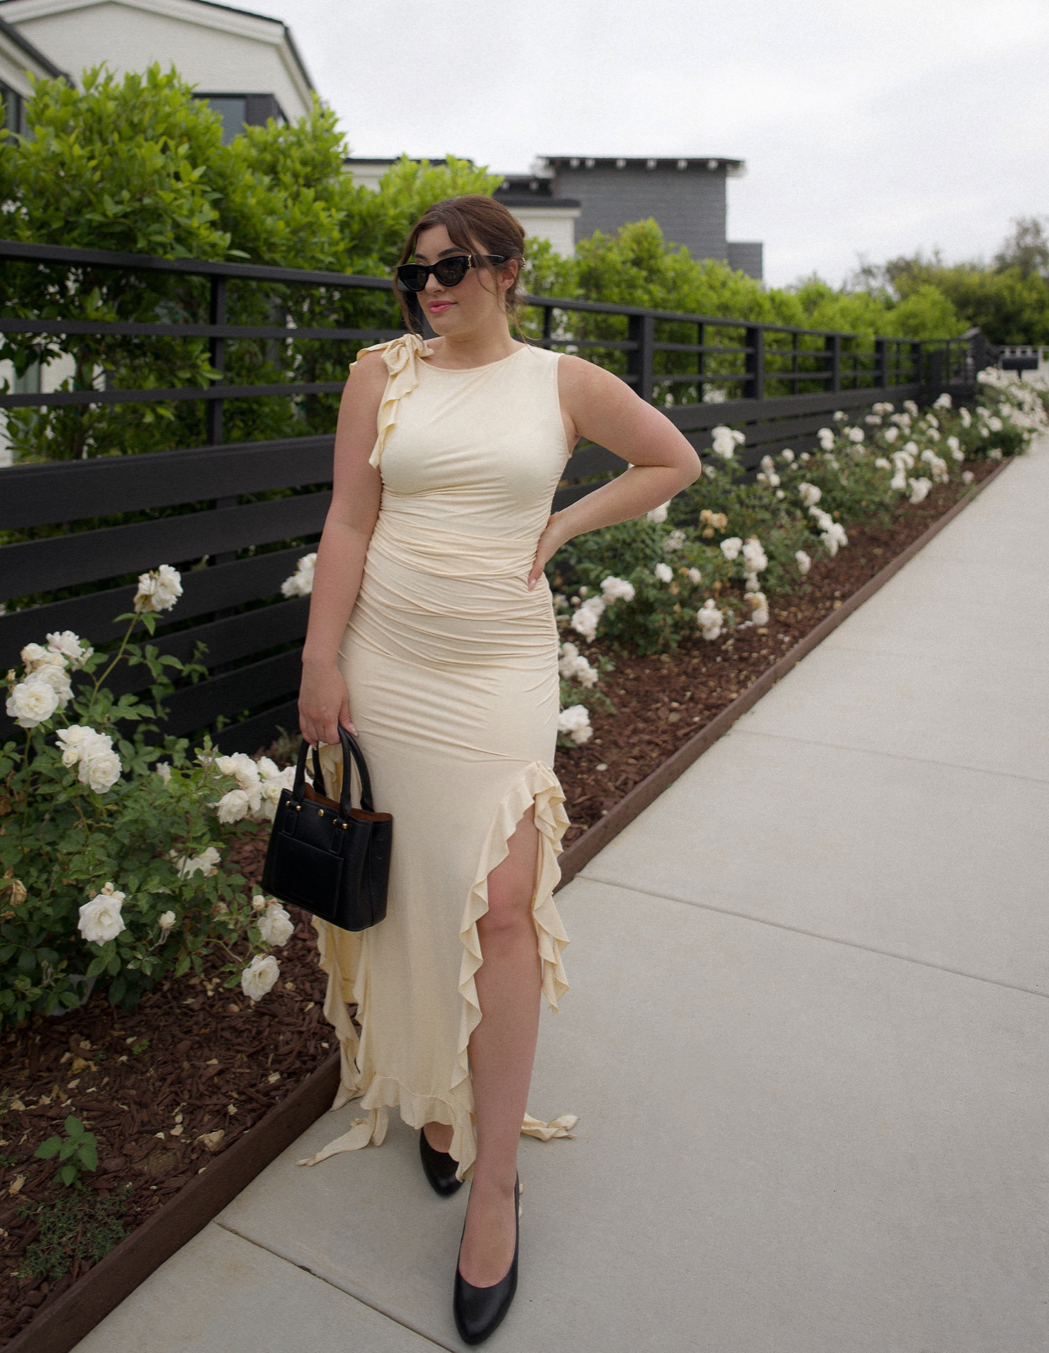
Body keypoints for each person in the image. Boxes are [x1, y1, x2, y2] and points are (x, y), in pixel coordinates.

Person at [296, 194, 700, 1344]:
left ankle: (497, 1185)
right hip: (390, 662)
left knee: (505, 907)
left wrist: (564, 528)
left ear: (510, 271)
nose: (432, 286)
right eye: (414, 271)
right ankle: (436, 1097)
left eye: (456, 265)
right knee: (416, 898)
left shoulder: (563, 383)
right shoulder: (383, 374)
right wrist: (322, 657)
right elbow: (349, 521)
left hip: (499, 673)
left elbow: (672, 459)